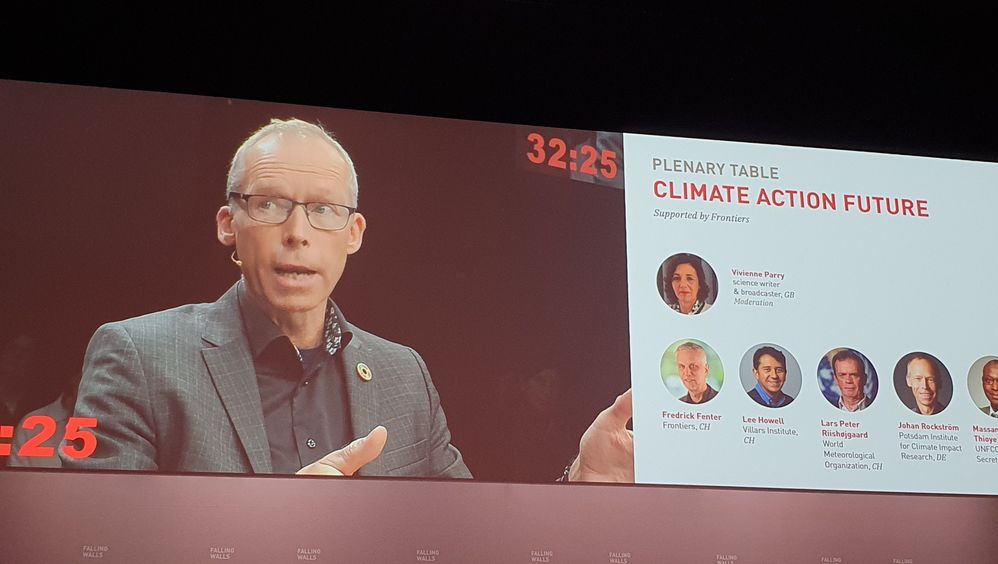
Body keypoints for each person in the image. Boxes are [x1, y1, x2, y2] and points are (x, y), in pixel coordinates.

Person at [62, 119, 633, 482]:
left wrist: (585, 481)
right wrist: (279, 530)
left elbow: (469, 540)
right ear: (227, 225)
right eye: (268, 205)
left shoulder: (402, 373)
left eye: (324, 210)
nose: (297, 232)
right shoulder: (139, 355)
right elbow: (92, 543)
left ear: (354, 234)